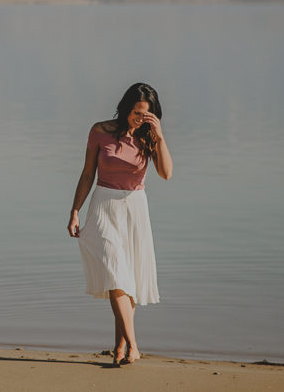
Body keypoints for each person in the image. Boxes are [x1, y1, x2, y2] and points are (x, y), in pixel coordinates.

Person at [67, 82, 173, 367]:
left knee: (128, 281)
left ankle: (119, 348)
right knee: (115, 275)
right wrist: (75, 210)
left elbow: (166, 174)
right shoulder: (100, 131)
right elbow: (88, 173)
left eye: (146, 115)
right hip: (103, 205)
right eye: (136, 112)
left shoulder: (149, 137)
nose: (140, 118)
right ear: (126, 108)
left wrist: (159, 136)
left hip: (135, 209)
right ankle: (135, 346)